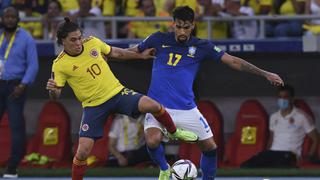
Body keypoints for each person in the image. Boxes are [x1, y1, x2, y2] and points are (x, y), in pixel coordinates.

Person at [128, 6, 284, 180]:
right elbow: (132, 52)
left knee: (210, 148)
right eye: (178, 26)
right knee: (152, 140)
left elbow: (233, 61)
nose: (182, 31)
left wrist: (265, 73)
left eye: (186, 27)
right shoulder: (157, 39)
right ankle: (165, 169)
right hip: (158, 107)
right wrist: (105, 52)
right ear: (172, 24)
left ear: (193, 25)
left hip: (186, 109)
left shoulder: (201, 46)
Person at [46, 17, 198, 180]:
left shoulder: (92, 42)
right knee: (82, 151)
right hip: (93, 106)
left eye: (80, 37)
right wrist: (53, 90)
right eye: (73, 40)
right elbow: (56, 96)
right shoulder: (59, 64)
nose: (78, 43)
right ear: (63, 41)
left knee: (153, 105)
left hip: (118, 93)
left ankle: (174, 132)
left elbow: (116, 52)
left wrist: (140, 56)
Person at [0, 6, 39, 178]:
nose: (9, 19)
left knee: (16, 127)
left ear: (18, 19)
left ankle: (13, 166)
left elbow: (33, 65)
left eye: (12, 16)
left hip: (15, 87)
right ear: (2, 18)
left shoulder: (26, 38)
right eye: (6, 16)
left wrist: (23, 85)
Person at [241, 85, 319, 168]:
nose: (282, 100)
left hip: (289, 154)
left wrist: (310, 156)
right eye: (280, 97)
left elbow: (316, 138)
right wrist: (267, 152)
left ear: (292, 99)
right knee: (246, 166)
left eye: (285, 97)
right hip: (273, 153)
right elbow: (271, 138)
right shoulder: (274, 117)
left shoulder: (302, 116)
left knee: (277, 167)